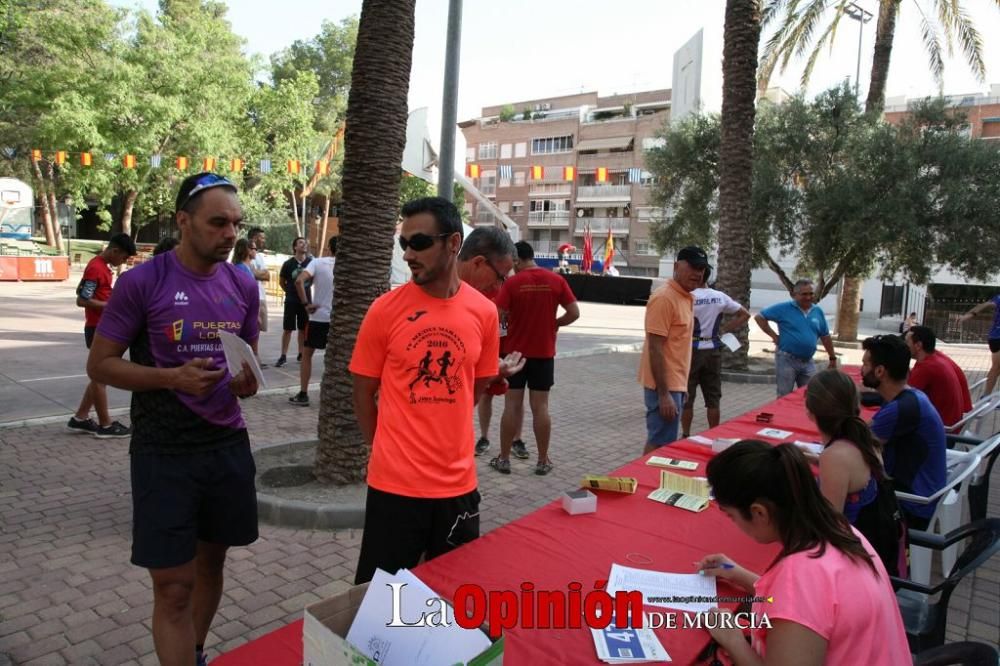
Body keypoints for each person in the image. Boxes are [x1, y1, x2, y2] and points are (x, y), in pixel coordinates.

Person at [86, 172, 260, 666]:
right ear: (184, 221)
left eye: (236, 224)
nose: (230, 234)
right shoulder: (144, 281)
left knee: (212, 564)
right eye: (218, 222)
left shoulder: (242, 283)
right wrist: (172, 378)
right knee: (174, 588)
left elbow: (243, 362)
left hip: (225, 445)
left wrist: (243, 381)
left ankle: (197, 651)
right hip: (163, 451)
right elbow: (99, 365)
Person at [349, 197, 523, 585]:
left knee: (450, 598)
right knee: (380, 604)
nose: (409, 254)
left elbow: (472, 391)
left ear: (453, 243)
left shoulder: (484, 312)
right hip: (394, 487)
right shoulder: (384, 310)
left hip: (457, 487)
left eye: (420, 242)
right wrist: (380, 450)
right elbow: (362, 393)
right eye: (404, 244)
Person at [696, 440, 910, 666]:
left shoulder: (800, 576)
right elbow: (812, 606)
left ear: (759, 512)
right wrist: (737, 573)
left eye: (731, 516)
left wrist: (732, 638)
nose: (732, 523)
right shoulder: (837, 527)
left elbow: (799, 601)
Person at [804, 369, 906, 576]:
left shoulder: (835, 457)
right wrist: (813, 459)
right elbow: (853, 474)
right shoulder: (864, 438)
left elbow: (827, 528)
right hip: (882, 546)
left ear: (810, 413)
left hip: (858, 565)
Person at [490, 241, 580, 475]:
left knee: (511, 406)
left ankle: (504, 459)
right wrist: (555, 324)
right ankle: (542, 460)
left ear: (517, 260)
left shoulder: (512, 283)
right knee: (541, 408)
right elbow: (574, 312)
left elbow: (495, 316)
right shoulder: (556, 280)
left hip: (514, 356)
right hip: (543, 354)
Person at [452, 227, 523, 458]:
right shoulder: (407, 303)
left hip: (453, 455)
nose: (499, 287)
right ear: (478, 262)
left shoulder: (482, 309)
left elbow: (460, 389)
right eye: (500, 277)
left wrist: (493, 373)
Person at [862, 334, 946, 529]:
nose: (862, 369)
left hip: (912, 505)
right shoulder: (912, 396)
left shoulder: (900, 410)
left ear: (880, 371)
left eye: (865, 364)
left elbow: (857, 443)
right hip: (926, 492)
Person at [638, 246, 709, 453]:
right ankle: (647, 482)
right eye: (693, 267)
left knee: (664, 441)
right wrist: (664, 394)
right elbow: (655, 347)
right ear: (676, 266)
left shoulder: (686, 297)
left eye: (702, 269)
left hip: (674, 384)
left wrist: (682, 387)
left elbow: (677, 347)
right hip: (663, 386)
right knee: (660, 442)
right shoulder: (665, 298)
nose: (698, 273)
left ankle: (651, 480)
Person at [67, 233, 137, 438]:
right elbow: (82, 300)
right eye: (123, 258)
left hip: (101, 325)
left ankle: (80, 418)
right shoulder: (96, 267)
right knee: (100, 374)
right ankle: (105, 425)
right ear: (114, 251)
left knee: (99, 375)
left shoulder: (101, 266)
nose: (122, 262)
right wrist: (109, 305)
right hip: (96, 328)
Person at [681, 267, 751, 438]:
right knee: (713, 398)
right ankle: (713, 435)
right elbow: (745, 314)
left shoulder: (687, 297)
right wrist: (724, 330)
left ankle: (685, 435)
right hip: (713, 351)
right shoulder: (719, 296)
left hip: (691, 350)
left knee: (687, 397)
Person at [288, 236, 336, 406]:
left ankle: (303, 393)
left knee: (307, 354)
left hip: (318, 318)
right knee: (338, 357)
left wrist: (306, 304)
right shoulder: (349, 266)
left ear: (329, 247)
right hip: (342, 321)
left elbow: (299, 281)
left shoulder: (318, 263)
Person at [905, 325, 972, 430]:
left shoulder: (926, 367)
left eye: (907, 342)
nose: (904, 346)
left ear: (918, 345)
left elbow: (901, 398)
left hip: (944, 431)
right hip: (954, 424)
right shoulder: (936, 358)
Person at [276, 236, 312, 368]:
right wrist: (290, 291)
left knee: (303, 329)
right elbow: (281, 282)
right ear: (295, 247)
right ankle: (283, 355)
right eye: (300, 243)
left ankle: (301, 353)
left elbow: (312, 280)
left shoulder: (310, 263)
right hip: (291, 300)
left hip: (305, 301)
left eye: (305, 242)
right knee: (288, 329)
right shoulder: (288, 264)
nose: (304, 244)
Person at [960, 295, 1000, 395]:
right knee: (996, 367)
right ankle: (987, 396)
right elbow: (985, 305)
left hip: (995, 337)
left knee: (996, 368)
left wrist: (970, 314)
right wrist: (970, 314)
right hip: (997, 336)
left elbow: (984, 305)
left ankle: (988, 396)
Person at [247, 227, 270, 344]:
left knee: (258, 328)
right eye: (262, 237)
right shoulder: (244, 254)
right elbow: (250, 274)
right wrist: (257, 273)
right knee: (250, 327)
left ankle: (254, 355)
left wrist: (256, 273)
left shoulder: (259, 256)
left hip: (260, 296)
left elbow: (267, 276)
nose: (264, 240)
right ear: (255, 238)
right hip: (250, 297)